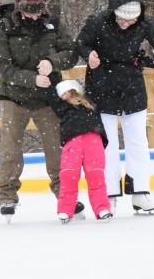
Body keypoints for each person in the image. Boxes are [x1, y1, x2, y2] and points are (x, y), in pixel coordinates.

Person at [75, 0, 154, 215]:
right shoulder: (97, 21)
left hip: (132, 86)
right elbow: (80, 43)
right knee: (107, 145)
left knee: (138, 142)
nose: (126, 23)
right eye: (122, 19)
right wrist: (89, 55)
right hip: (102, 86)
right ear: (113, 11)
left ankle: (140, 192)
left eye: (131, 20)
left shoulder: (144, 23)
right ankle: (109, 194)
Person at [0, 0, 82, 220]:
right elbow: (0, 66)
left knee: (56, 147)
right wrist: (31, 78)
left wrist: (52, 62)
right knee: (10, 147)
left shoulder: (55, 25)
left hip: (48, 98)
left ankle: (65, 191)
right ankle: (7, 196)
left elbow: (71, 53)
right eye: (28, 10)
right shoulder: (5, 28)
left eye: (38, 9)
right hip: (14, 96)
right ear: (19, 7)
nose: (33, 14)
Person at [46, 79, 112, 223]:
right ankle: (65, 210)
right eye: (62, 95)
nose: (66, 97)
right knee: (68, 176)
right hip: (72, 143)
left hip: (94, 141)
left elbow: (96, 84)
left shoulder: (91, 103)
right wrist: (48, 83)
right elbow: (51, 97)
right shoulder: (63, 108)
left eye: (69, 92)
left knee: (96, 176)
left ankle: (102, 209)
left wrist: (95, 66)